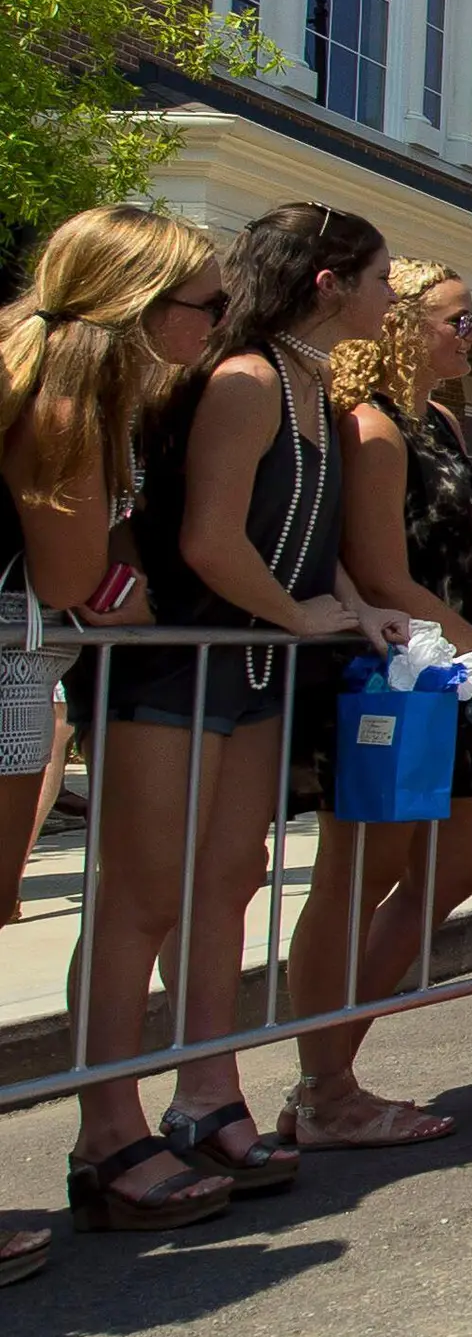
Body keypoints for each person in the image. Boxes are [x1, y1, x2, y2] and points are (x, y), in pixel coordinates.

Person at [76, 203, 403, 1216]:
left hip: (255, 666)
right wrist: (298, 616)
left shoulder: (313, 389)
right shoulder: (249, 378)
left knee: (228, 881)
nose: (388, 296)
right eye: (378, 277)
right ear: (326, 282)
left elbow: (308, 546)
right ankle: (105, 1131)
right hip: (181, 666)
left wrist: (354, 609)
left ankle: (207, 1096)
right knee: (143, 896)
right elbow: (212, 540)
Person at [290, 261, 472, 1152]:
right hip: (393, 679)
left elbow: (460, 558)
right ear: (403, 327)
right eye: (458, 320)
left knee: (450, 870)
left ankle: (325, 1078)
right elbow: (383, 574)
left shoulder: (440, 421)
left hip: (447, 673)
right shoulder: (370, 426)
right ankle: (324, 1085)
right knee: (359, 872)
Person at [0, 205, 221, 1266]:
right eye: (205, 306)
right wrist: (128, 591)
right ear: (142, 308)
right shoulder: (64, 395)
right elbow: (70, 576)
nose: (218, 326)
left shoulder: (64, 382)